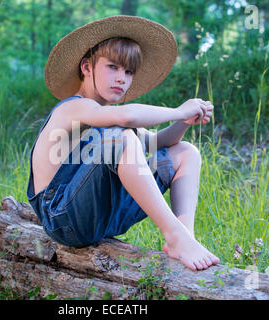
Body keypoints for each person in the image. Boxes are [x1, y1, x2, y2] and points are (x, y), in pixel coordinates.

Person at [27, 15, 219, 271]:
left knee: (185, 152)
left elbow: (159, 142)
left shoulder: (111, 122)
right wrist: (178, 111)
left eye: (128, 72)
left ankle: (185, 236)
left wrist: (186, 121)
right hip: (63, 218)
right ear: (86, 67)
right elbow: (127, 116)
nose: (122, 78)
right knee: (122, 138)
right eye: (113, 67)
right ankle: (174, 235)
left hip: (101, 216)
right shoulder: (74, 107)